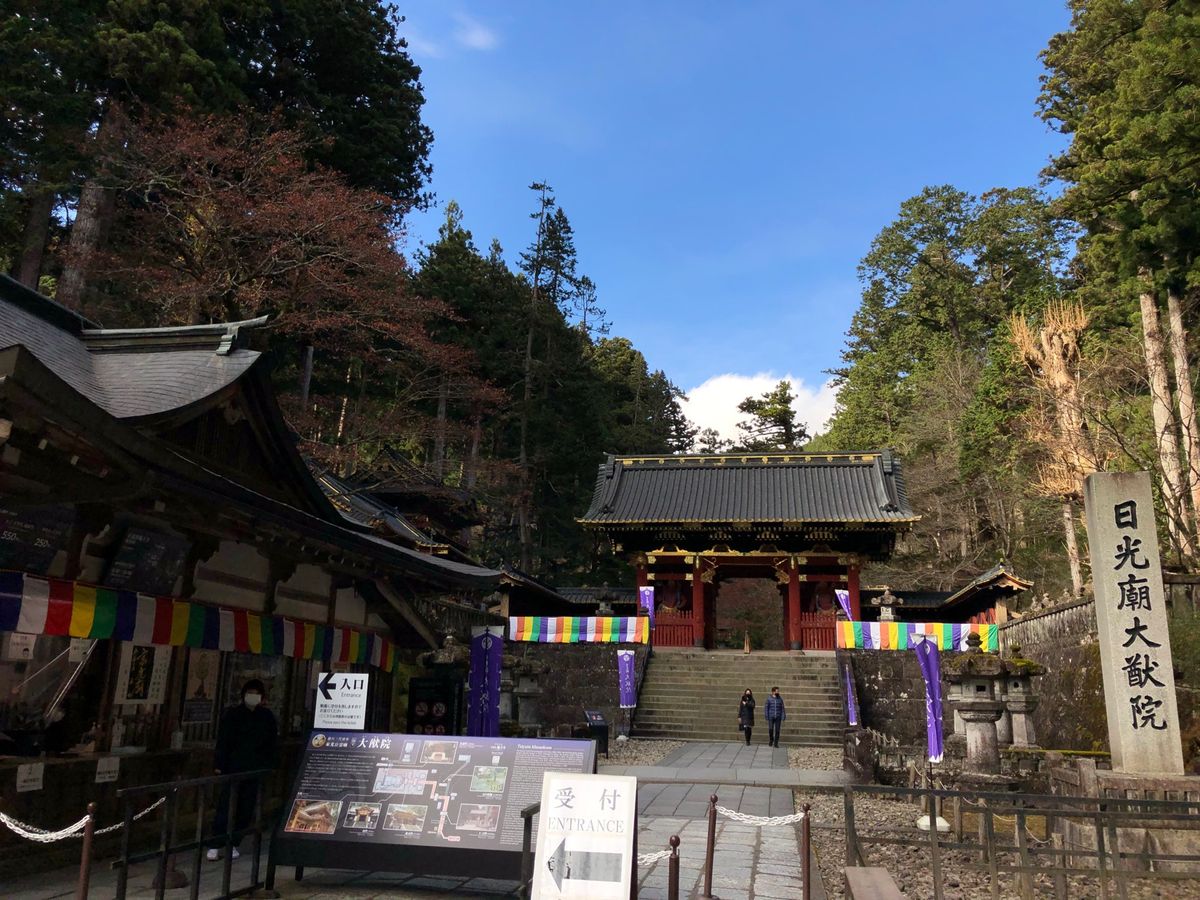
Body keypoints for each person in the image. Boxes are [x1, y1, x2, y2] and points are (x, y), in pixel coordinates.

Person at [207, 679, 277, 861]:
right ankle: (215, 844)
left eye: (256, 693)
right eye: (249, 693)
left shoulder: (266, 717)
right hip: (233, 768)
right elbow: (223, 741)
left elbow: (272, 743)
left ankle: (234, 843)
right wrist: (219, 764)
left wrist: (269, 765)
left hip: (255, 769)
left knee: (246, 808)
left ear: (262, 697)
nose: (253, 696)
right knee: (225, 806)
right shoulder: (233, 715)